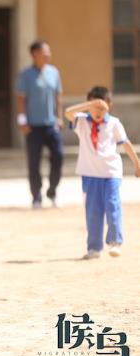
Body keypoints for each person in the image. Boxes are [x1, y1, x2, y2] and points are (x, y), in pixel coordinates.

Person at [64, 86, 140, 259]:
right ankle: (94, 248)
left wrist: (137, 163)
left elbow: (125, 143)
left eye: (102, 106)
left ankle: (115, 242)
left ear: (110, 105)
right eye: (93, 105)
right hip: (90, 174)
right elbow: (68, 112)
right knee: (93, 211)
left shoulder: (114, 123)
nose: (97, 110)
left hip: (111, 172)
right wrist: (87, 105)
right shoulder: (82, 121)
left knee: (113, 205)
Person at [17, 40, 64, 209]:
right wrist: (22, 120)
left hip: (51, 125)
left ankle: (52, 192)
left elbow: (58, 96)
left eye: (48, 52)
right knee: (34, 162)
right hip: (33, 126)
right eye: (45, 53)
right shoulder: (26, 74)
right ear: (34, 54)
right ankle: (36, 196)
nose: (48, 55)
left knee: (58, 157)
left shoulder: (54, 73)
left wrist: (59, 118)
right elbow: (21, 99)